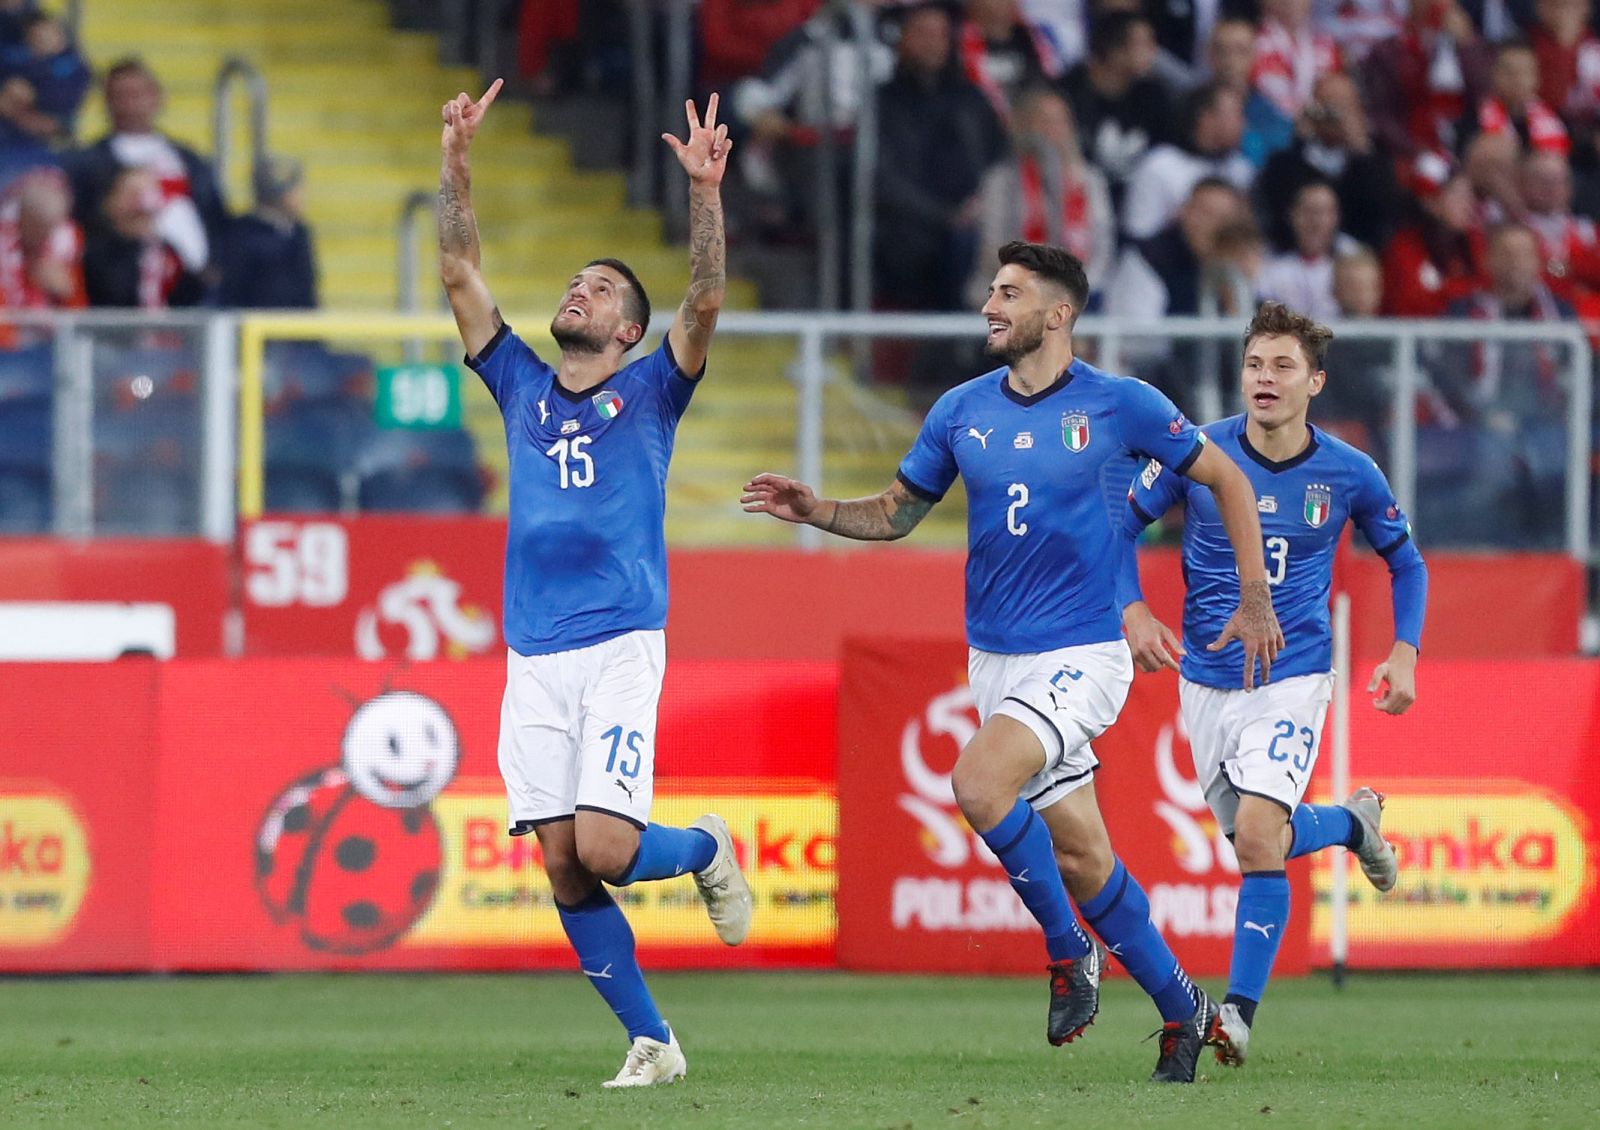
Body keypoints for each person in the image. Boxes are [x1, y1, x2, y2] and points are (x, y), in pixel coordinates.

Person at [743, 240, 1284, 1084]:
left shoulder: (1123, 404)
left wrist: (1254, 592)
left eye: (1009, 292)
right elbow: (894, 514)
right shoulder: (960, 410)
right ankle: (1185, 1012)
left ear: (1058, 314)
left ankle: (1069, 954)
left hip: (1083, 652)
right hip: (995, 659)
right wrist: (816, 509)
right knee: (1084, 859)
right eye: (990, 291)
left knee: (977, 785)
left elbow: (1230, 479)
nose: (990, 305)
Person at [436, 81, 754, 1088]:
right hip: (534, 651)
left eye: (605, 288)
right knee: (564, 861)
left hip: (618, 640)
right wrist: (456, 155)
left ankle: (705, 845)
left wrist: (705, 192)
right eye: (576, 281)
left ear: (628, 331)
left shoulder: (654, 390)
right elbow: (456, 268)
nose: (582, 291)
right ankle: (652, 1041)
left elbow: (702, 300)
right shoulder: (520, 382)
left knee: (611, 847)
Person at [1118, 301, 1427, 1069]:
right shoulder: (1196, 453)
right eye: (1256, 363)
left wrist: (1404, 652)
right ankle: (1354, 826)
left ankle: (1239, 1016)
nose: (1265, 378)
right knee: (1266, 841)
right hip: (1207, 682)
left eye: (1284, 365)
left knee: (1258, 838)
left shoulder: (1350, 471)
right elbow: (1118, 525)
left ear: (1314, 381)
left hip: (1293, 676)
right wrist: (1131, 610)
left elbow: (1406, 561)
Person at [66, 58, 226, 284]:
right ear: (107, 102)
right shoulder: (87, 163)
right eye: (122, 95)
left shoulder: (189, 158)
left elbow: (215, 214)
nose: (132, 103)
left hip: (195, 284)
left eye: (139, 94)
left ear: (157, 97)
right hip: (125, 283)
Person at [1120, 80, 1254, 241]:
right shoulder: (1160, 165)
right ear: (1207, 118)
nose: (1244, 125)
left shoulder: (1242, 170)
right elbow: (1137, 234)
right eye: (1236, 115)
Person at [220, 156, 318, 309]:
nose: (301, 196)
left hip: (298, 327)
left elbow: (307, 289)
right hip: (256, 326)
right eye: (296, 189)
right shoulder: (242, 234)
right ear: (279, 193)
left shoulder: (299, 232)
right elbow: (234, 290)